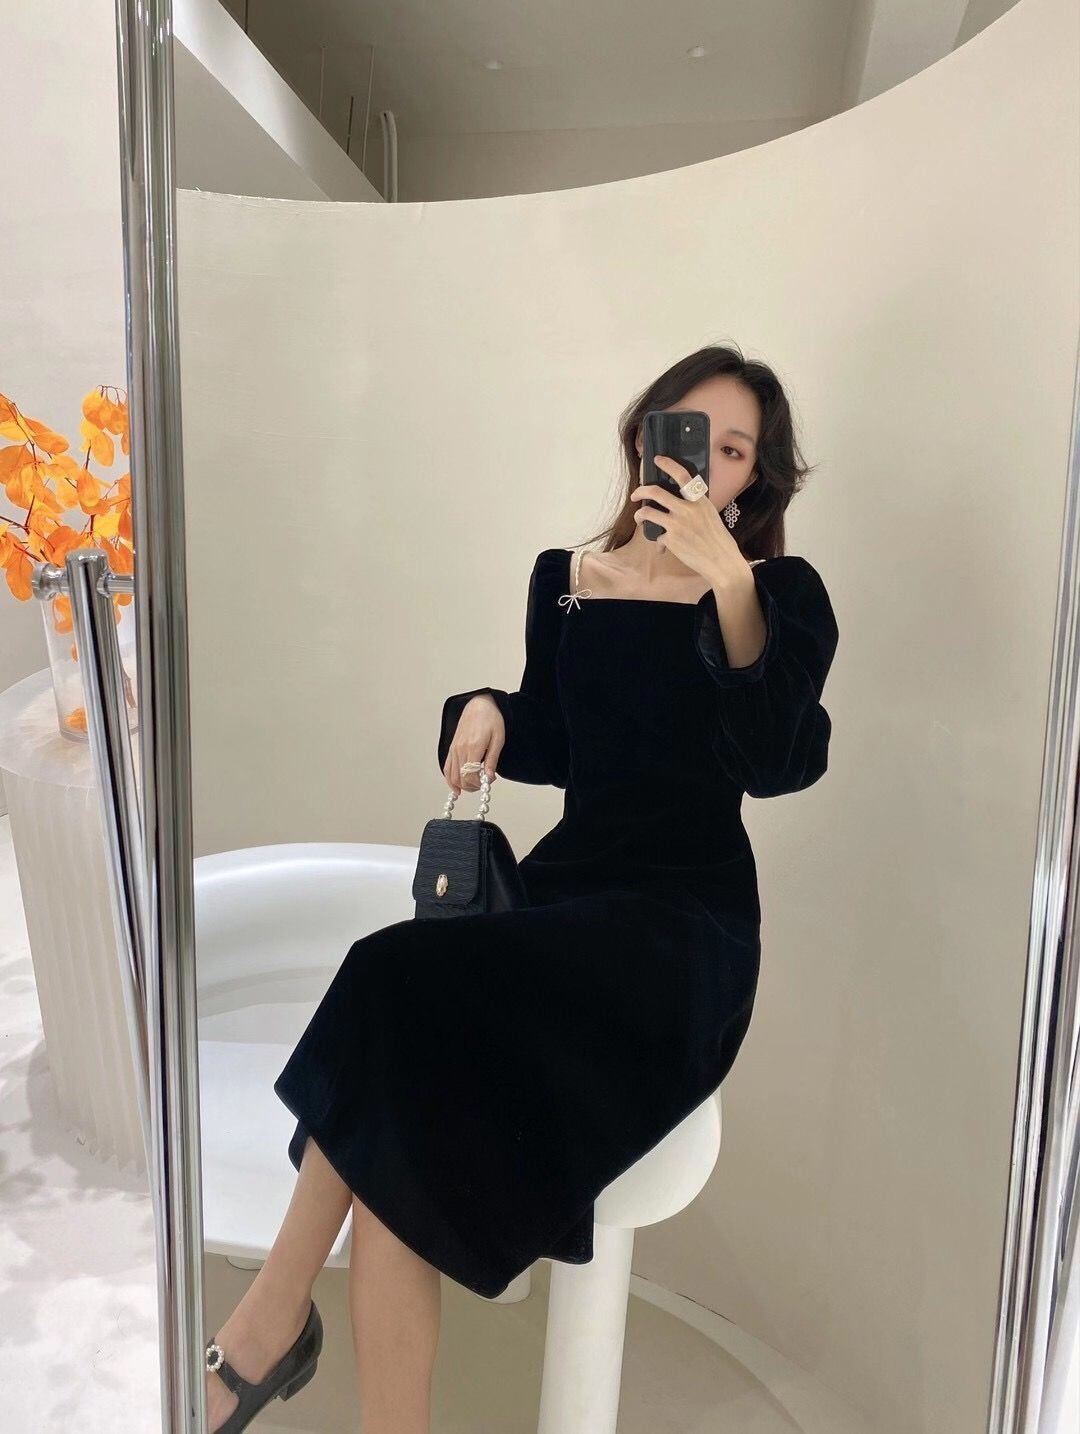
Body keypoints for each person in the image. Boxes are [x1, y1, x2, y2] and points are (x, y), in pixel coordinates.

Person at [202, 343, 840, 1433]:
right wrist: (489, 709)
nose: (704, 461)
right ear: (645, 432)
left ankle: (266, 1326)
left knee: (387, 973)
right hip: (561, 898)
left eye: (733, 450)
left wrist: (730, 586)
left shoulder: (778, 595)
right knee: (398, 1136)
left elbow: (775, 759)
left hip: (681, 934)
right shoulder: (568, 580)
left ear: (751, 480)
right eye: (689, 430)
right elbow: (560, 736)